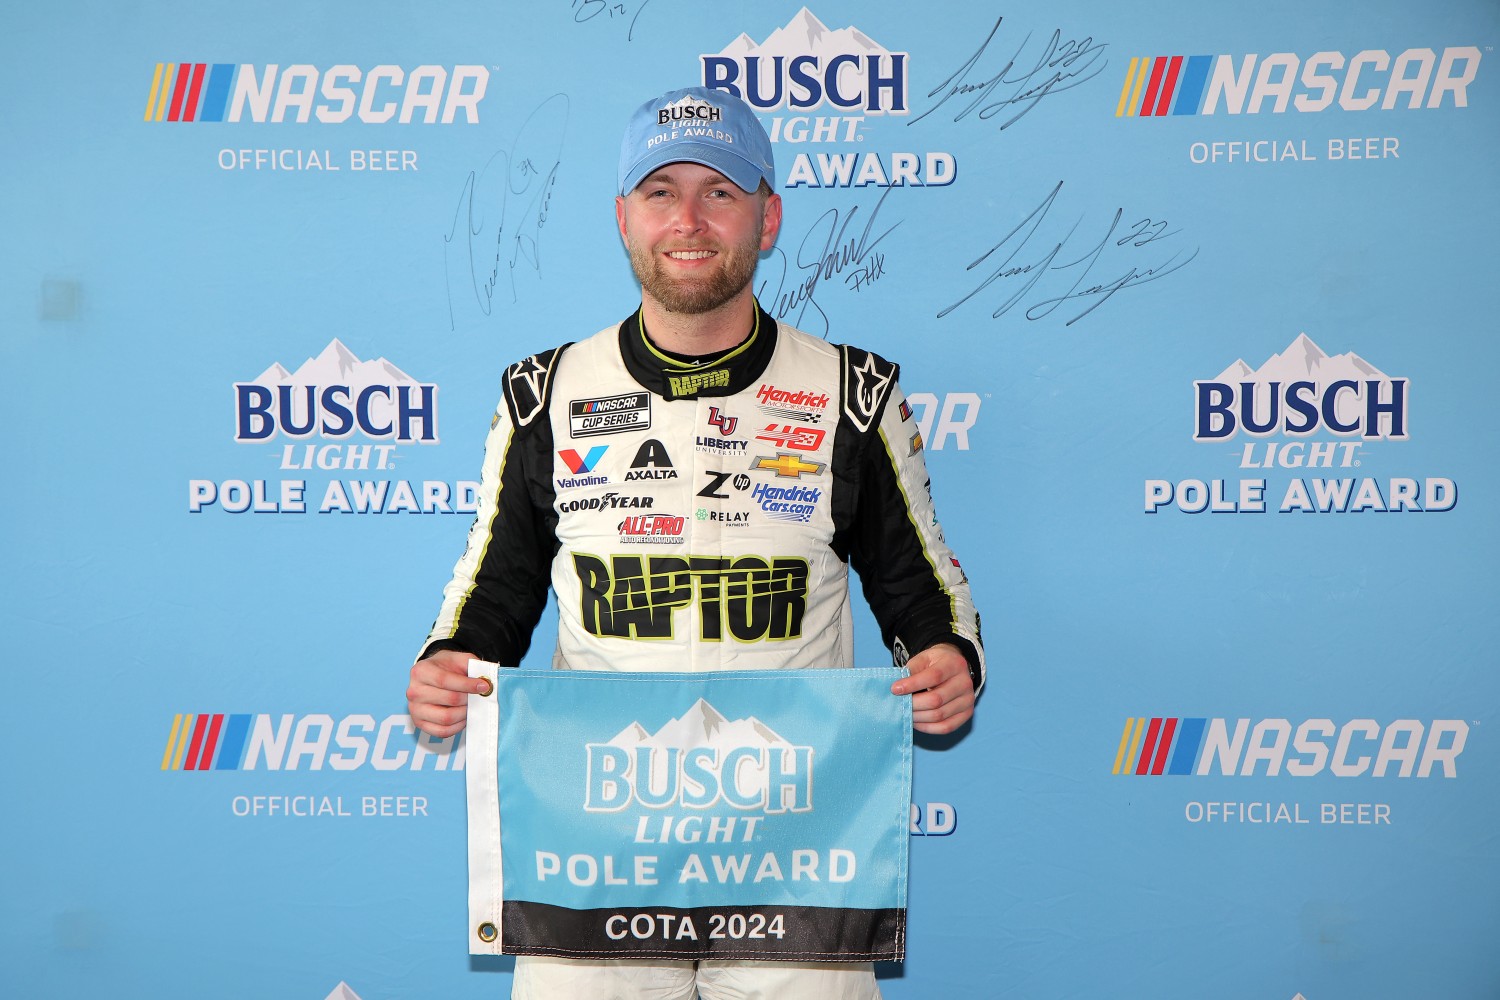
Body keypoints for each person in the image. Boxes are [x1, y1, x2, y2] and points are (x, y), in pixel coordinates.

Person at [407, 85, 985, 1000]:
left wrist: (948, 658)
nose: (689, 219)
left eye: (720, 191)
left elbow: (922, 589)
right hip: (597, 843)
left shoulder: (853, 393)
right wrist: (451, 664)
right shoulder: (543, 394)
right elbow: (495, 594)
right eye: (660, 191)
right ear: (623, 219)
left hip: (800, 846)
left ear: (769, 215)